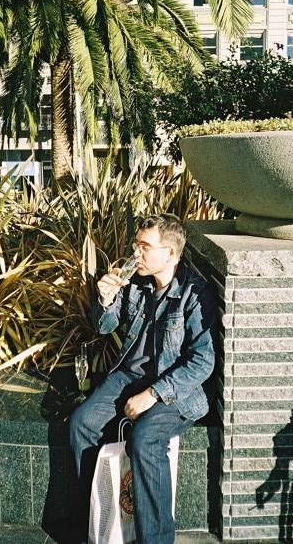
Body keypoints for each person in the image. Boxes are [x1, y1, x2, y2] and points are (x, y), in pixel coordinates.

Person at [66, 213, 217, 544]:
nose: (136, 253)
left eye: (145, 246)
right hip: (128, 376)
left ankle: (156, 539)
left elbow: (202, 362)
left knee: (145, 439)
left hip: (178, 388)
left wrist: (154, 393)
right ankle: (97, 522)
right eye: (136, 244)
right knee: (81, 423)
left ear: (172, 253)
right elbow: (104, 327)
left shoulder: (195, 294)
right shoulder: (135, 280)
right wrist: (105, 300)